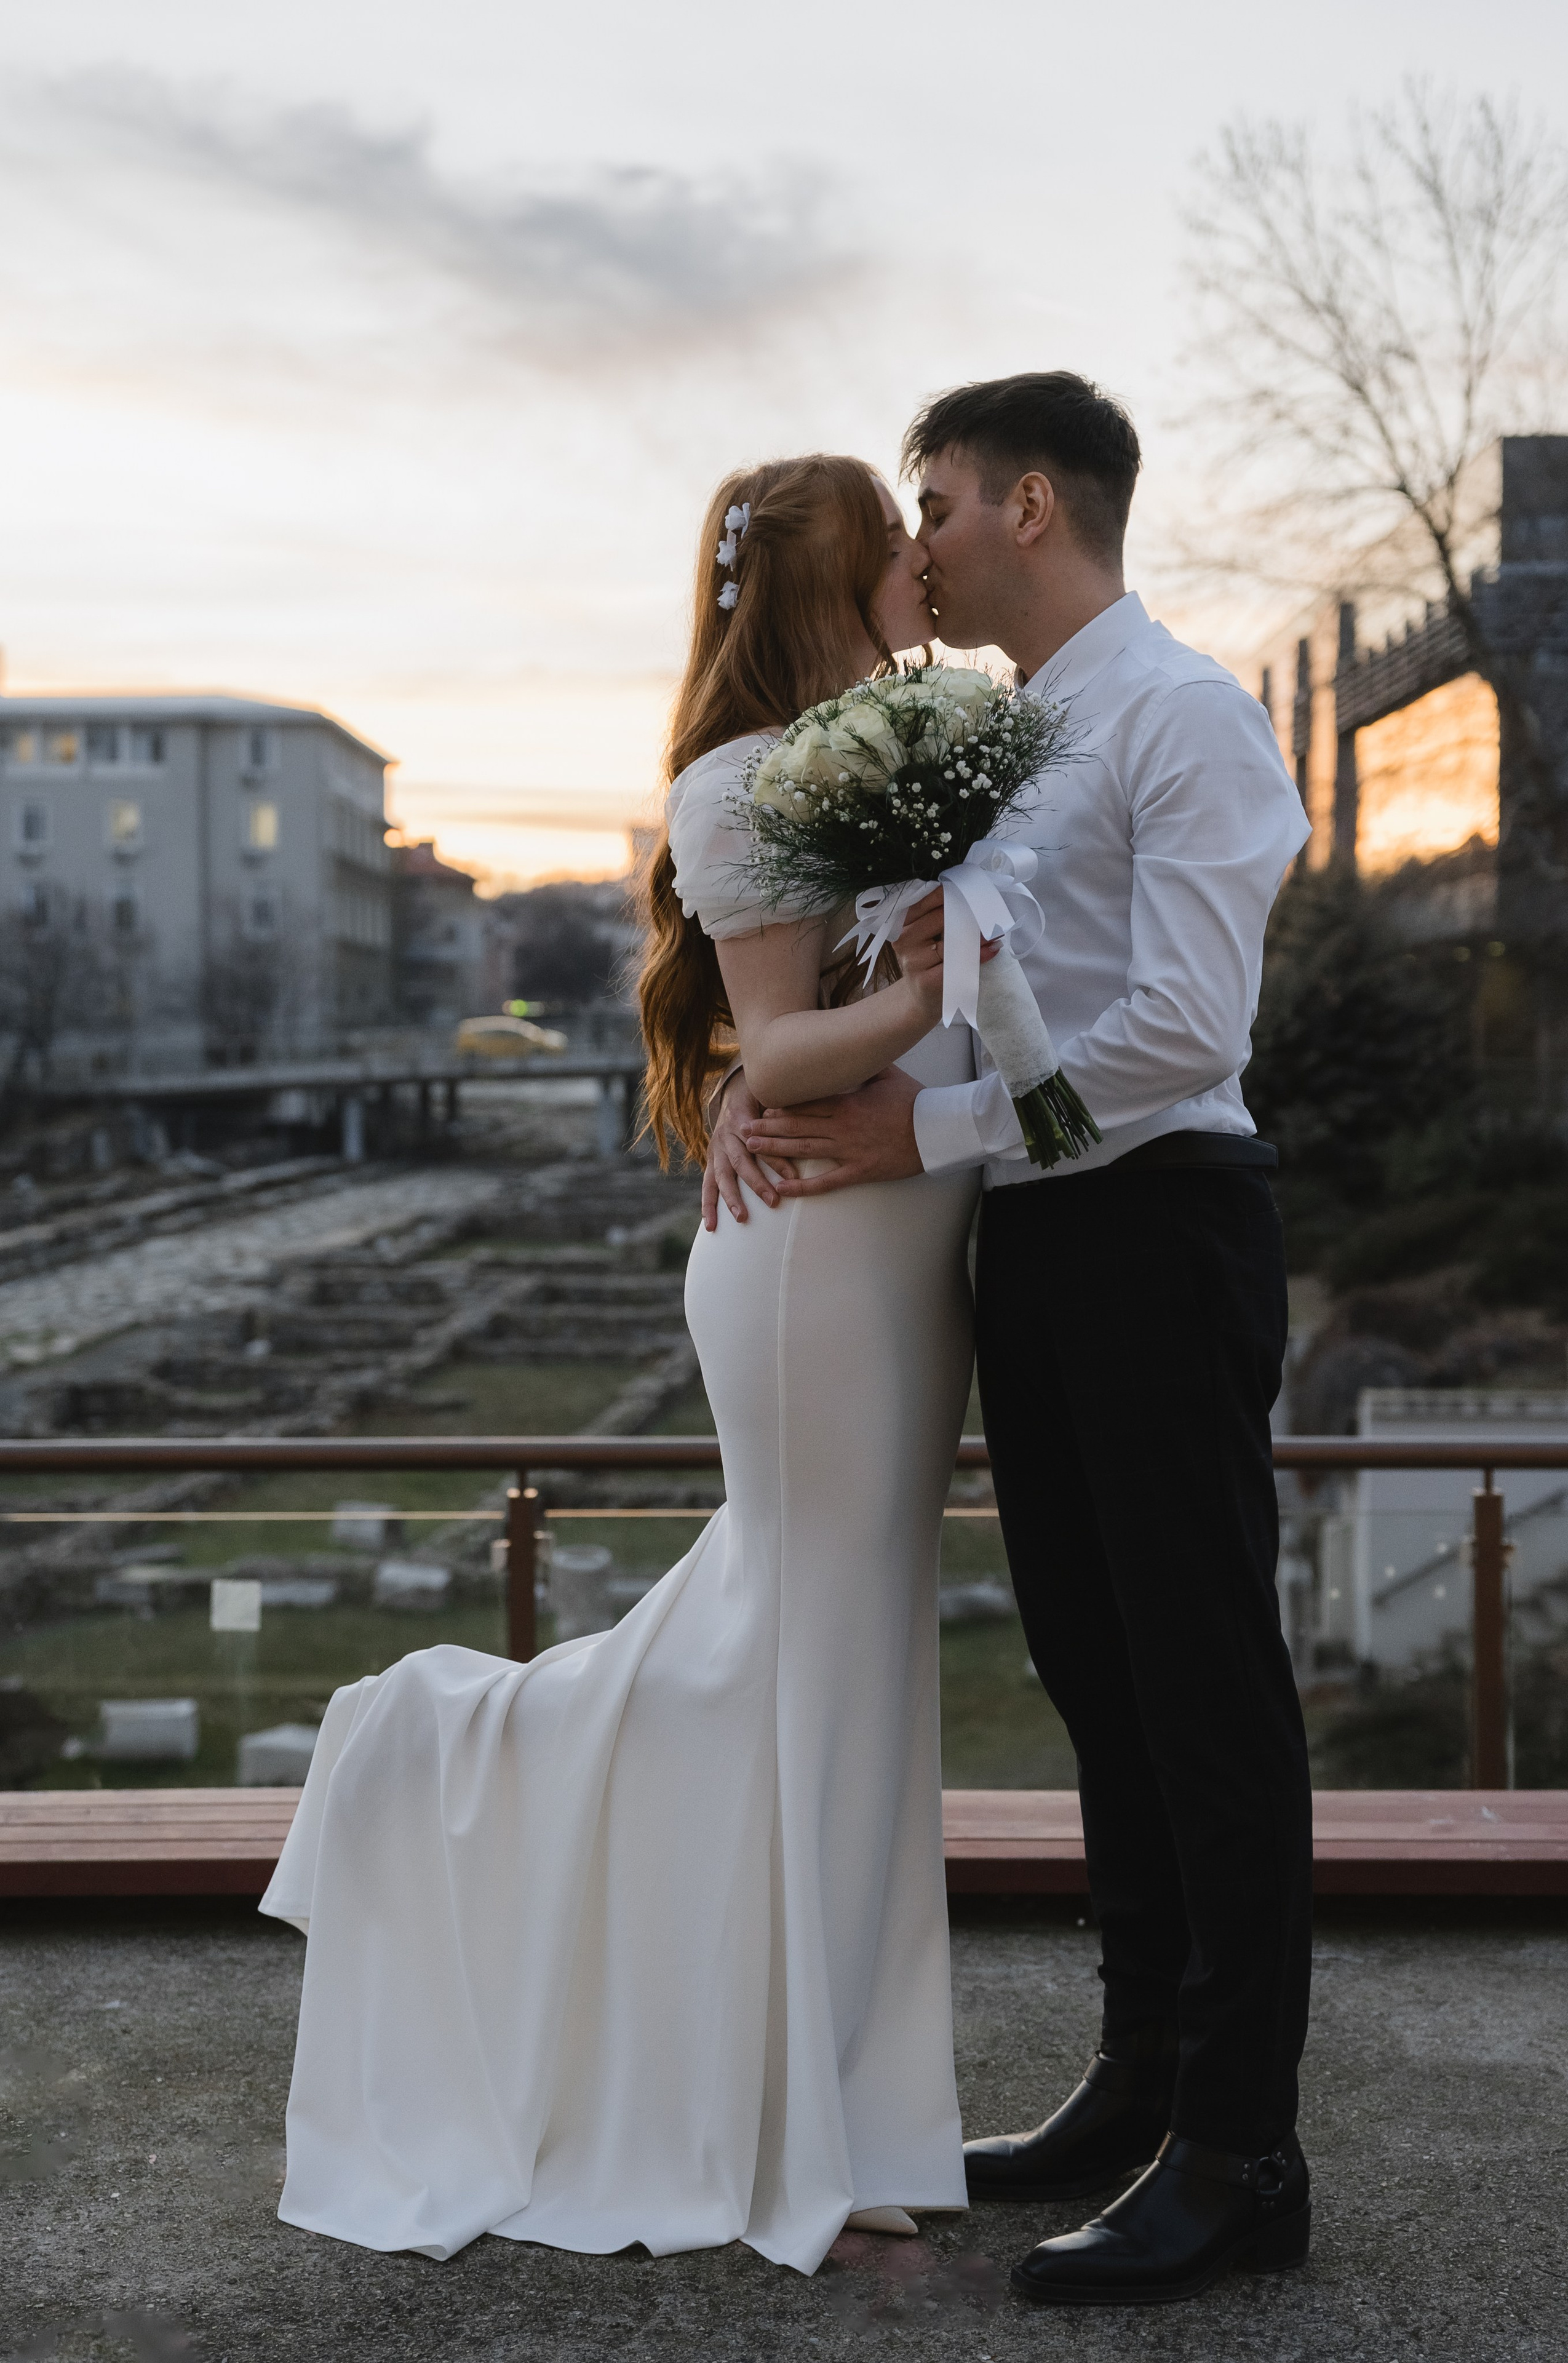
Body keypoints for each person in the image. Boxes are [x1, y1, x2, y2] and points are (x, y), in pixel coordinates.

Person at [260, 453, 990, 2277]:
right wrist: (912, 995)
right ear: (826, 582)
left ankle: (837, 2097)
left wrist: (932, 990)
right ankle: (430, 1761)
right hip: (817, 1255)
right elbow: (784, 1041)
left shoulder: (904, 749)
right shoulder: (745, 781)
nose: (920, 562)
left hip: (899, 1251)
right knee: (789, 1643)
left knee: (850, 1657)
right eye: (887, 545)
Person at [709, 373, 1316, 2308]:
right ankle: (1137, 2079)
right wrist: (762, 1078)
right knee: (1094, 1670)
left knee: (1203, 1683)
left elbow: (1181, 1030)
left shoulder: (1186, 717)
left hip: (1157, 1232)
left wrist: (926, 1130)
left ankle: (1240, 2147)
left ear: (1034, 504)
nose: (926, 542)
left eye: (945, 504)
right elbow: (938, 986)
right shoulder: (1005, 737)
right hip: (1036, 1247)